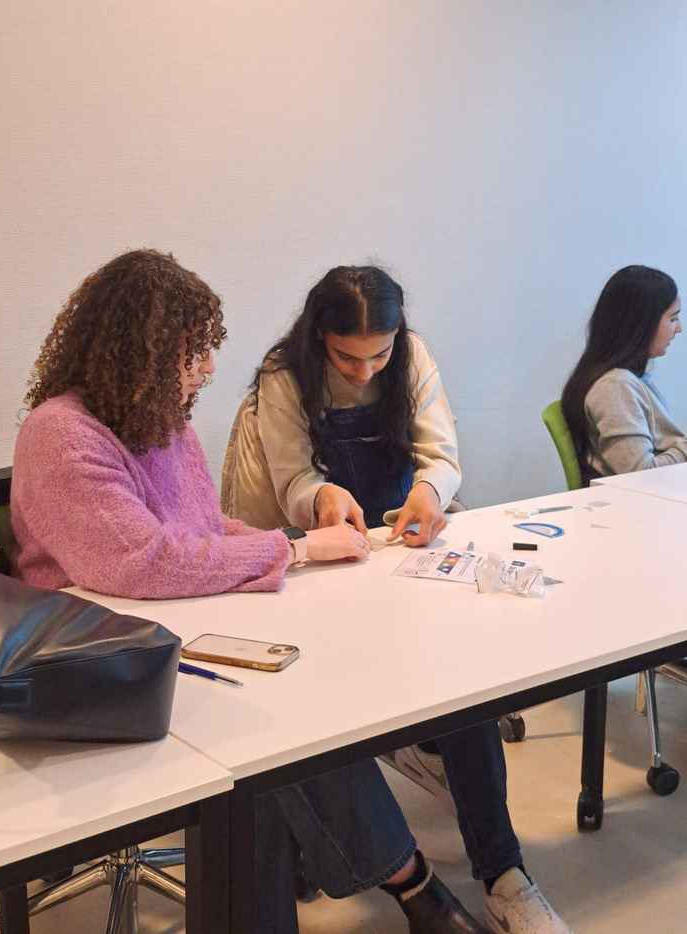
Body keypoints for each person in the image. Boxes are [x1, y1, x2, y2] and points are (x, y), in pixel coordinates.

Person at [11, 248, 492, 934]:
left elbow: (206, 529)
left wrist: (301, 554)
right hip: (94, 669)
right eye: (192, 351)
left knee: (283, 734)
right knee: (272, 739)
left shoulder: (160, 423)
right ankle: (413, 883)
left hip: (170, 637)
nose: (207, 368)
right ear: (135, 351)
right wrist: (292, 549)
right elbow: (140, 563)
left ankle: (405, 887)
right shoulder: (60, 434)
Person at [222, 264, 572, 934]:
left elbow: (442, 456)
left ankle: (504, 874)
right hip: (327, 559)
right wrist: (320, 498)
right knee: (325, 701)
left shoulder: (413, 359)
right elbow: (291, 476)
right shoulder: (282, 376)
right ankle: (365, 848)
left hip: (405, 548)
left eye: (378, 353)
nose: (364, 371)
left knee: (465, 694)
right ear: (319, 336)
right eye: (347, 357)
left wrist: (429, 493)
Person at [561, 264, 684, 482]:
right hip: (641, 505)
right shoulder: (615, 387)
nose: (679, 328)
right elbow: (640, 474)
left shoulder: (628, 379)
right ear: (642, 323)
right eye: (673, 318)